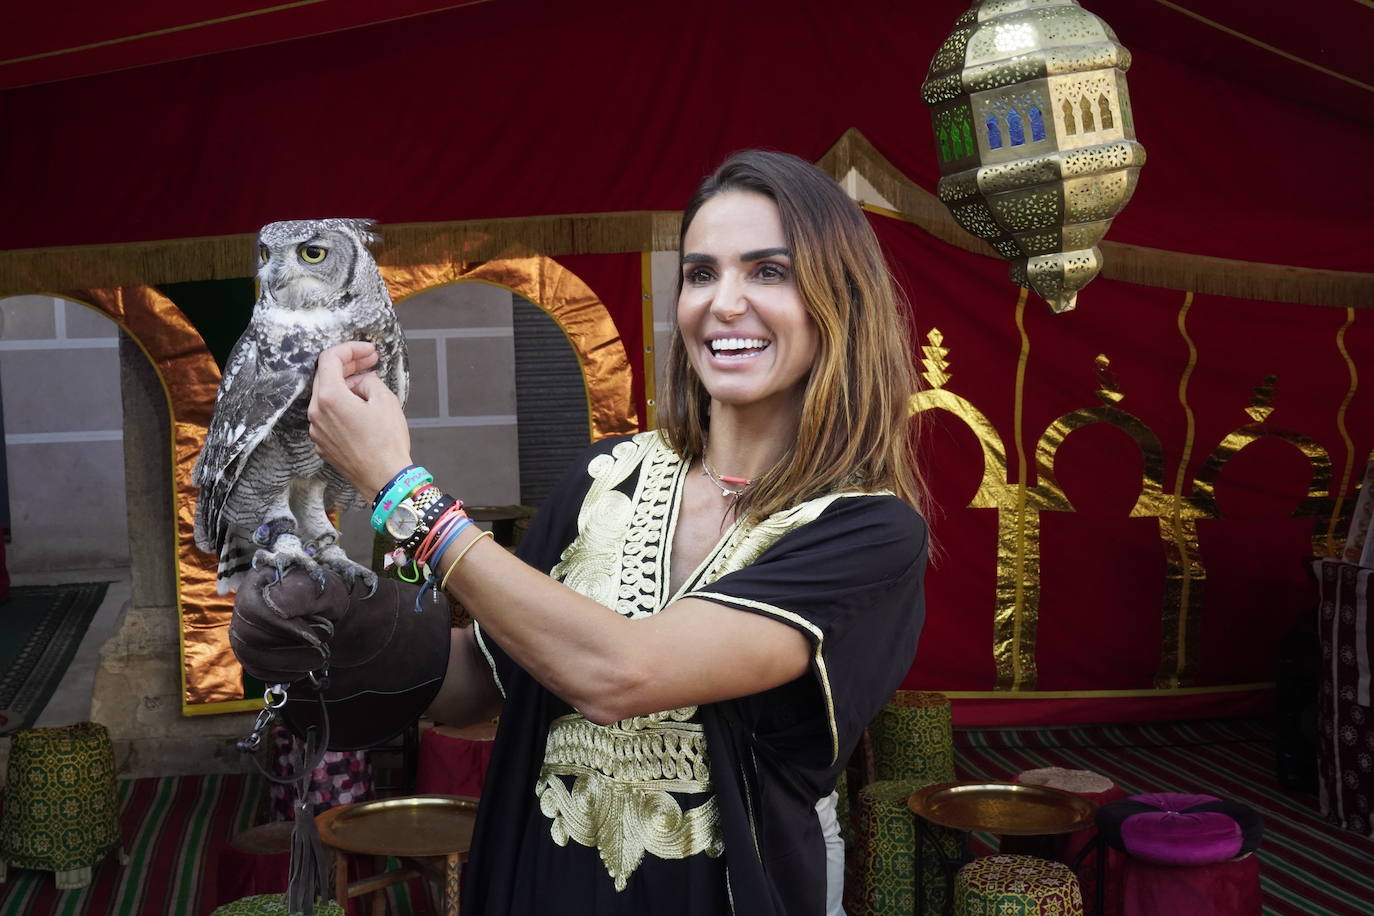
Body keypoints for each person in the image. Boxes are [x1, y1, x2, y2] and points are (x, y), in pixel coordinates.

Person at [230, 149, 929, 916]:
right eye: (700, 273)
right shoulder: (605, 476)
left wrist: (401, 489)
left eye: (768, 271)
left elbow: (622, 675)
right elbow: (486, 686)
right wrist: (348, 642)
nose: (723, 303)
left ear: (839, 298)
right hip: (535, 888)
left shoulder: (866, 532)